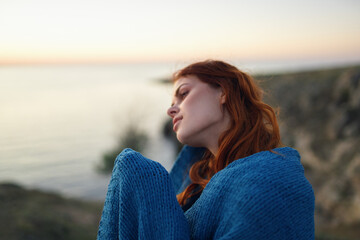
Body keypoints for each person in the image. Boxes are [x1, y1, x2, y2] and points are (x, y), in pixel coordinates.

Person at [97, 60, 315, 239]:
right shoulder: (198, 182)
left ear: (222, 92)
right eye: (173, 101)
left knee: (134, 166)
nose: (171, 109)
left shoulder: (269, 181)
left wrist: (143, 176)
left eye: (183, 94)